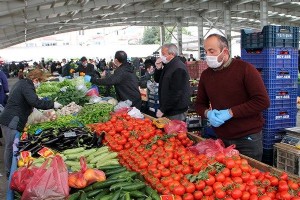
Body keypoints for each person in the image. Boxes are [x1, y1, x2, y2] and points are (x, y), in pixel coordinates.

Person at [195, 33, 270, 161]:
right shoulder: (206, 75)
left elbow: (262, 101)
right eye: (206, 51)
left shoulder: (245, 70)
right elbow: (199, 104)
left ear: (225, 51)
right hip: (221, 138)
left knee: (249, 176)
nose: (207, 55)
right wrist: (208, 113)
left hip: (247, 139)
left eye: (211, 51)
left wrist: (231, 113)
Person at [0, 69, 62, 178]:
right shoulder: (26, 86)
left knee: (10, 146)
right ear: (35, 79)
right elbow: (34, 102)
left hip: (10, 118)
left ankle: (10, 171)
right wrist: (52, 104)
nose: (39, 84)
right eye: (40, 81)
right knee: (10, 147)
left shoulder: (22, 83)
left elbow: (29, 101)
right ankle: (9, 172)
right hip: (12, 120)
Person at [154, 43, 190, 121]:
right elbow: (157, 80)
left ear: (172, 54)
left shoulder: (178, 68)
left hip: (176, 110)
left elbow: (176, 93)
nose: (161, 57)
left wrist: (163, 109)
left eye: (163, 54)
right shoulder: (169, 65)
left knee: (175, 132)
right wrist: (158, 68)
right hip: (169, 108)